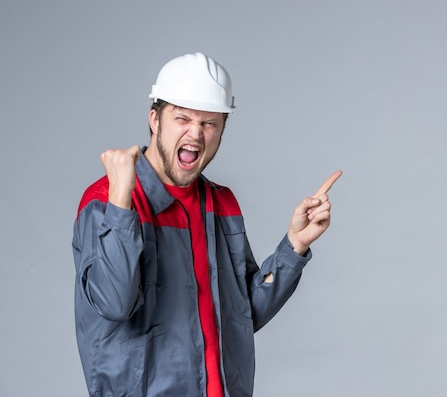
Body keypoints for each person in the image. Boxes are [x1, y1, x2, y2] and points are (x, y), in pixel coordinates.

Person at [72, 52, 342, 397]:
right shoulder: (105, 200)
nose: (196, 134)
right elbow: (113, 303)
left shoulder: (221, 203)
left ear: (222, 129)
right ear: (155, 120)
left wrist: (294, 247)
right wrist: (121, 202)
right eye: (182, 119)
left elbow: (240, 317)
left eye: (209, 123)